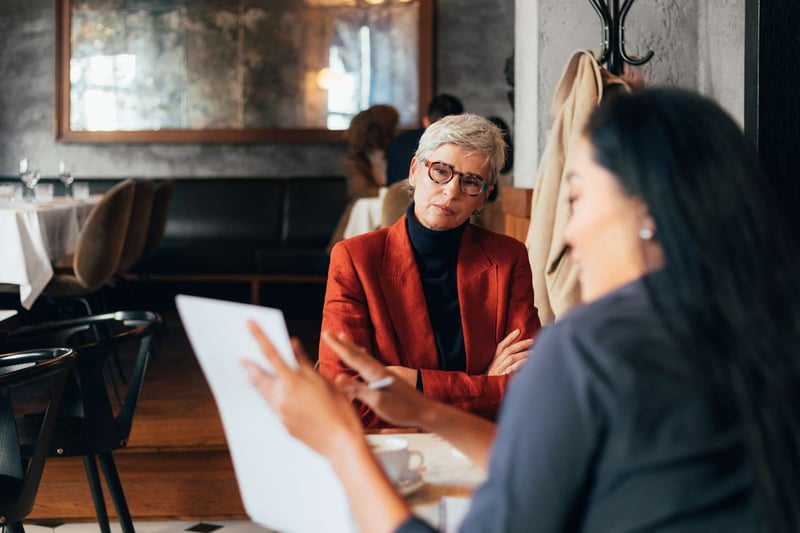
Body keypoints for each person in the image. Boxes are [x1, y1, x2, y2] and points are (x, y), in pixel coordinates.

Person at [243, 88, 800, 532]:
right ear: (415, 171)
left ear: (647, 212)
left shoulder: (585, 347)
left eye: (577, 199)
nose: (568, 233)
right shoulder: (765, 329)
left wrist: (339, 442)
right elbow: (548, 457)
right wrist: (434, 406)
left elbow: (527, 407)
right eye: (440, 172)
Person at [320, 113, 540, 428]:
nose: (452, 192)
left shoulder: (508, 257)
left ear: (484, 197)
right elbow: (346, 398)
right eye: (441, 171)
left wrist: (415, 383)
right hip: (395, 450)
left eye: (471, 181)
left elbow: (528, 389)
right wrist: (483, 384)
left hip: (480, 445)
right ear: (414, 171)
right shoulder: (355, 259)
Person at [329, 104, 400, 249]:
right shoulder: (356, 161)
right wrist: (392, 192)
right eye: (393, 126)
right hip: (365, 216)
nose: (397, 130)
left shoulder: (396, 155)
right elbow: (360, 190)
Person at [385, 94, 464, 186]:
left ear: (426, 121)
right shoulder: (463, 149)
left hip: (395, 197)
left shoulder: (398, 142)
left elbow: (390, 183)